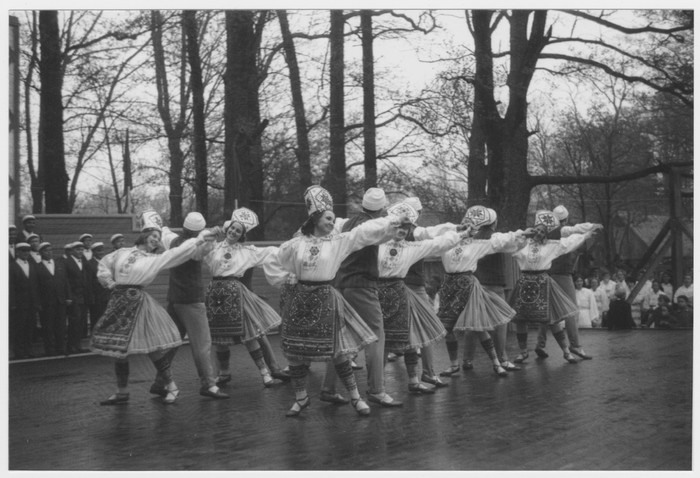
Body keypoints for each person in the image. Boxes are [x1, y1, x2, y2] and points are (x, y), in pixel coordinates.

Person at [277, 185, 404, 417]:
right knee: (297, 349)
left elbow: (363, 233)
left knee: (338, 345)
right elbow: (278, 259)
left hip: (327, 294)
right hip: (305, 298)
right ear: (315, 217)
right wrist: (288, 277)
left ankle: (355, 397)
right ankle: (302, 397)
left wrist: (390, 223)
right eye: (327, 218)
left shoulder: (338, 239)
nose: (330, 222)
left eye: (332, 219)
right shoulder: (298, 243)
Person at [91, 210, 216, 405]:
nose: (156, 241)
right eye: (153, 236)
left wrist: (199, 239)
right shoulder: (120, 252)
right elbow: (103, 265)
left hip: (138, 302)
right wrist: (110, 283)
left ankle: (172, 385)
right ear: (144, 234)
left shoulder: (154, 260)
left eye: (158, 238)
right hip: (118, 301)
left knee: (152, 347)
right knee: (119, 349)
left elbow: (178, 252)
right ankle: (122, 391)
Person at [377, 202, 462, 393]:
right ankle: (382, 381)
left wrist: (457, 231)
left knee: (418, 330)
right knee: (414, 331)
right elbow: (433, 234)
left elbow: (435, 237)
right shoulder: (411, 233)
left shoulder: (413, 233)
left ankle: (419, 375)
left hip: (411, 285)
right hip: (406, 286)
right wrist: (456, 230)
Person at [437, 205, 528, 377]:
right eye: (465, 224)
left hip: (470, 284)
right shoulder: (453, 239)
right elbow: (434, 242)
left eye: (471, 224)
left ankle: (476, 361)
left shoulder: (479, 242)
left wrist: (519, 236)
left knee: (475, 325)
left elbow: (502, 242)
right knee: (473, 325)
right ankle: (497, 360)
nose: (467, 227)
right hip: (471, 284)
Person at [335, 187, 404, 408]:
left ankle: (328, 388)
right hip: (362, 285)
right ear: (381, 208)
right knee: (376, 336)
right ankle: (376, 389)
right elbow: (384, 229)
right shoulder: (371, 225)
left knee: (341, 339)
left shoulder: (348, 223)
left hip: (342, 283)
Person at [202, 208, 283, 389]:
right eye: (232, 228)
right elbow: (199, 243)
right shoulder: (214, 246)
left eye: (238, 231)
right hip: (215, 294)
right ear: (227, 228)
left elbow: (270, 252)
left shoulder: (246, 251)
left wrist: (291, 250)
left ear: (241, 236)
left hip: (235, 294)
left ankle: (265, 373)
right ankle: (224, 372)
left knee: (249, 334)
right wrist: (211, 233)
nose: (233, 232)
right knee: (219, 337)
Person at [154, 212, 229, 400]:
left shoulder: (172, 241)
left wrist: (156, 221)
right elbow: (205, 245)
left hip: (174, 299)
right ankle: (208, 384)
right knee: (202, 344)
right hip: (192, 301)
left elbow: (164, 232)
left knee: (171, 343)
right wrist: (215, 233)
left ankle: (160, 381)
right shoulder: (197, 248)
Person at [510, 210, 602, 363]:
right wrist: (523, 233)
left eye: (542, 231)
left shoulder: (551, 245)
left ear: (546, 234)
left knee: (550, 319)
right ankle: (524, 351)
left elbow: (569, 243)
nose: (538, 233)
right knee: (520, 319)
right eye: (536, 230)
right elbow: (508, 240)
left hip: (542, 281)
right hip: (525, 282)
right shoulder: (523, 243)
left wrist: (586, 234)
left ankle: (567, 352)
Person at [533, 205, 597, 361]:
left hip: (545, 273)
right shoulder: (565, 232)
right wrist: (590, 229)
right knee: (571, 310)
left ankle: (540, 344)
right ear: (566, 219)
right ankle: (575, 345)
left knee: (547, 312)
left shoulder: (544, 233)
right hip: (562, 274)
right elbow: (576, 234)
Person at [462, 207, 522, 374]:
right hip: (495, 284)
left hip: (475, 283)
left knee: (473, 323)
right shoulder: (496, 238)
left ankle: (467, 359)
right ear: (494, 223)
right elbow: (514, 245)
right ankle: (502, 359)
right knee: (500, 323)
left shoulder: (470, 237)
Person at [36, 242, 71, 356]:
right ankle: (50, 350)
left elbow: (65, 282)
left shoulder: (59, 264)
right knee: (48, 327)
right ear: (40, 253)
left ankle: (61, 348)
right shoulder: (37, 267)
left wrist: (68, 297)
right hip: (47, 302)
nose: (49, 252)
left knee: (60, 326)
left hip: (60, 301)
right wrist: (39, 303)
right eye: (46, 251)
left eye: (51, 250)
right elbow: (36, 287)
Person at [9, 243, 41, 359]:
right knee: (19, 327)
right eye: (23, 251)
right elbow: (10, 287)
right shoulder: (11, 267)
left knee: (30, 327)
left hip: (31, 303)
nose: (26, 253)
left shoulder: (32, 265)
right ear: (17, 252)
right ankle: (19, 351)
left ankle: (28, 349)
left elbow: (36, 286)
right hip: (19, 304)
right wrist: (12, 303)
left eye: (27, 251)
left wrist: (37, 302)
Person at [65, 241, 93, 355]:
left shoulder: (84, 261)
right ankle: (71, 346)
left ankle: (78, 345)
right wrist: (69, 296)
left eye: (81, 249)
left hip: (83, 297)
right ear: (72, 251)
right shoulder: (67, 262)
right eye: (77, 249)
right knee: (74, 322)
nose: (80, 251)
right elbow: (66, 281)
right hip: (74, 297)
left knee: (81, 322)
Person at [87, 242, 110, 335]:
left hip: (107, 294)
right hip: (96, 295)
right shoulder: (90, 264)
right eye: (99, 251)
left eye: (102, 250)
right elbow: (89, 281)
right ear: (94, 252)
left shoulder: (106, 262)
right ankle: (95, 337)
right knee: (96, 317)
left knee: (106, 316)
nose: (101, 253)